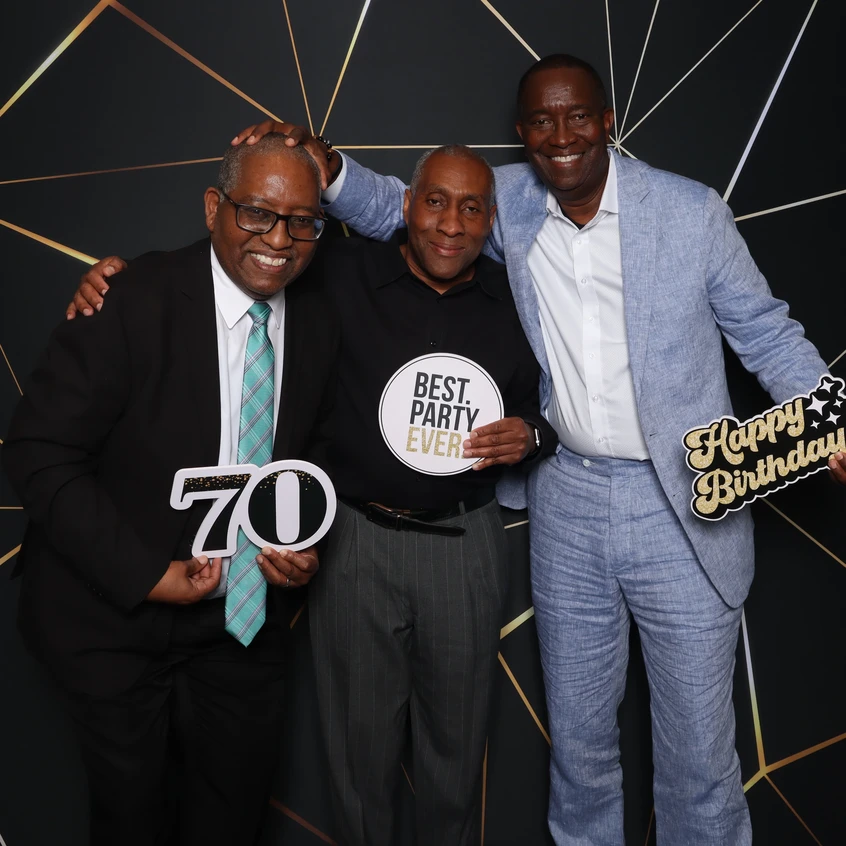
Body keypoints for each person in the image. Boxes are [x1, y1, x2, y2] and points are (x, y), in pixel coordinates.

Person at [226, 55, 842, 845]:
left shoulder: (690, 213)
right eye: (543, 122)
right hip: (568, 500)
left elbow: (763, 329)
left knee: (698, 752)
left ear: (607, 120)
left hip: (686, 499)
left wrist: (827, 417)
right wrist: (328, 165)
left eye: (578, 116)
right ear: (523, 135)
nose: (562, 136)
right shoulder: (506, 201)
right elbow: (401, 210)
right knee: (581, 744)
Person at [70, 144, 557, 846]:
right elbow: (242, 255)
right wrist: (116, 280)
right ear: (407, 207)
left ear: (490, 223)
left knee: (457, 751)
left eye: (472, 207)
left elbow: (568, 397)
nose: (451, 222)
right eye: (435, 201)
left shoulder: (520, 301)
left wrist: (534, 436)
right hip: (356, 543)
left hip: (465, 543)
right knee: (358, 756)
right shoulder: (342, 270)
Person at [2, 134, 339, 846]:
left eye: (302, 221)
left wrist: (302, 550)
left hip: (240, 623)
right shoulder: (131, 301)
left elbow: (312, 464)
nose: (280, 239)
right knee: (133, 822)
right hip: (113, 616)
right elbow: (38, 451)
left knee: (231, 820)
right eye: (257, 213)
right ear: (214, 207)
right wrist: (147, 575)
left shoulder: (321, 319)